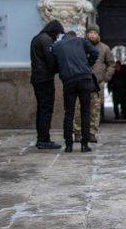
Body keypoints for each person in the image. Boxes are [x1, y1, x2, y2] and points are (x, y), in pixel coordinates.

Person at [51, 30, 99, 153]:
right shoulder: (82, 41)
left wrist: (62, 69)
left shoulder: (56, 46)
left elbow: (52, 63)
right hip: (84, 79)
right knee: (85, 111)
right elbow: (95, 52)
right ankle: (84, 144)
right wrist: (88, 64)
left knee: (69, 113)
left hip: (69, 81)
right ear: (75, 36)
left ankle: (68, 145)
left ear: (64, 37)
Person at [73, 24, 115, 143]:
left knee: (95, 110)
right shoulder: (80, 46)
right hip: (81, 82)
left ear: (98, 34)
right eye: (90, 32)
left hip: (97, 84)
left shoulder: (104, 48)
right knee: (78, 108)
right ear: (87, 34)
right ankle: (77, 132)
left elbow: (111, 64)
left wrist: (106, 77)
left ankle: (92, 133)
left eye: (94, 32)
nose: (92, 34)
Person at [29, 19, 64, 150]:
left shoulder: (37, 38)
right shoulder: (46, 40)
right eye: (57, 34)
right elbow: (51, 61)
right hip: (44, 79)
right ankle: (44, 140)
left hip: (37, 78)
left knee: (41, 109)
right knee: (46, 110)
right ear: (53, 31)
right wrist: (60, 67)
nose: (57, 37)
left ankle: (41, 138)